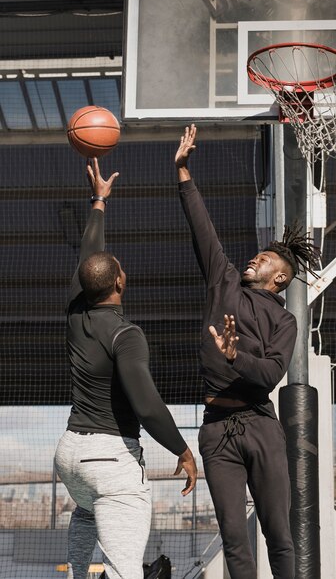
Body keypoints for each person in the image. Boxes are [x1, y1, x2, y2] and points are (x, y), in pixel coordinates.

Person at [174, 125, 320, 579]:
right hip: (217, 431)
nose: (258, 257)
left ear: (281, 278)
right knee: (236, 543)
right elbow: (203, 230)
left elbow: (272, 373)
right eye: (258, 253)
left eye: (268, 258)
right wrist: (182, 173)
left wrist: (236, 356)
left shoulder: (284, 320)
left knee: (280, 537)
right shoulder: (225, 280)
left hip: (261, 426)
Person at [55, 158, 197, 579]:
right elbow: (147, 405)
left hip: (70, 455)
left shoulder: (76, 312)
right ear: (120, 281)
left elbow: (89, 257)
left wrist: (98, 200)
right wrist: (182, 449)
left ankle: (76, 576)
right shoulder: (126, 334)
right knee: (124, 570)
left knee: (85, 508)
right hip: (109, 459)